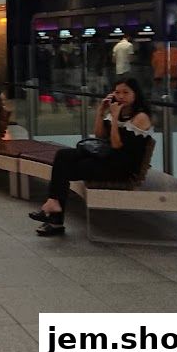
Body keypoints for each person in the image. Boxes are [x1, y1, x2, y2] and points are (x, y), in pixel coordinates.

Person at [28, 78, 153, 236]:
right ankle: (53, 205)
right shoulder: (117, 110)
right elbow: (100, 136)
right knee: (63, 155)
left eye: (126, 92)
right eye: (117, 92)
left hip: (121, 168)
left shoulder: (141, 117)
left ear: (136, 95)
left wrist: (115, 118)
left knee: (63, 169)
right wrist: (101, 112)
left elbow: (116, 145)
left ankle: (55, 217)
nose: (121, 96)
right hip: (108, 159)